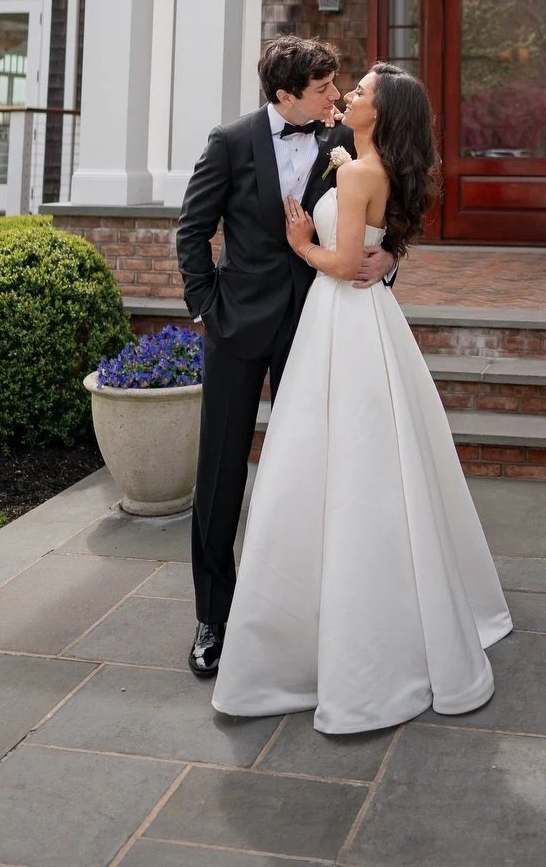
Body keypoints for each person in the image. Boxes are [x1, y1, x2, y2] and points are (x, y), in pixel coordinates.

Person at [212, 63, 512, 733]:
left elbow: (348, 265)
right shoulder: (361, 159)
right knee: (379, 459)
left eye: (361, 93)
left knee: (331, 459)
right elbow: (372, 225)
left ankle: (328, 637)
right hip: (363, 322)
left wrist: (302, 243)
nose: (347, 95)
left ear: (382, 112)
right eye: (343, 89)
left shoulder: (352, 171)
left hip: (337, 314)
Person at [176, 36, 396, 678]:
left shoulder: (343, 142)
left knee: (317, 470)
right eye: (325, 87)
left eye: (338, 86)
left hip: (319, 325)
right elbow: (193, 228)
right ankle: (213, 617)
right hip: (237, 328)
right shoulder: (231, 141)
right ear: (284, 95)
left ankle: (314, 615)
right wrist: (204, 307)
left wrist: (389, 259)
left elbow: (387, 209)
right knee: (220, 475)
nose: (336, 94)